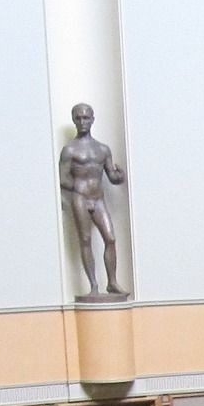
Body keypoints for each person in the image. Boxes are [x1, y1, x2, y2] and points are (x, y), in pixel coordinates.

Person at [58, 104, 128, 301]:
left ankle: (112, 281)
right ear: (74, 120)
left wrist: (118, 175)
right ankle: (93, 285)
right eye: (78, 118)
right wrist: (80, 191)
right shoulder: (69, 150)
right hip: (80, 197)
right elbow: (63, 178)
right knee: (86, 239)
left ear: (92, 119)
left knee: (111, 238)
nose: (82, 122)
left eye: (86, 118)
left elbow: (111, 175)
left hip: (98, 198)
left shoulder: (102, 149)